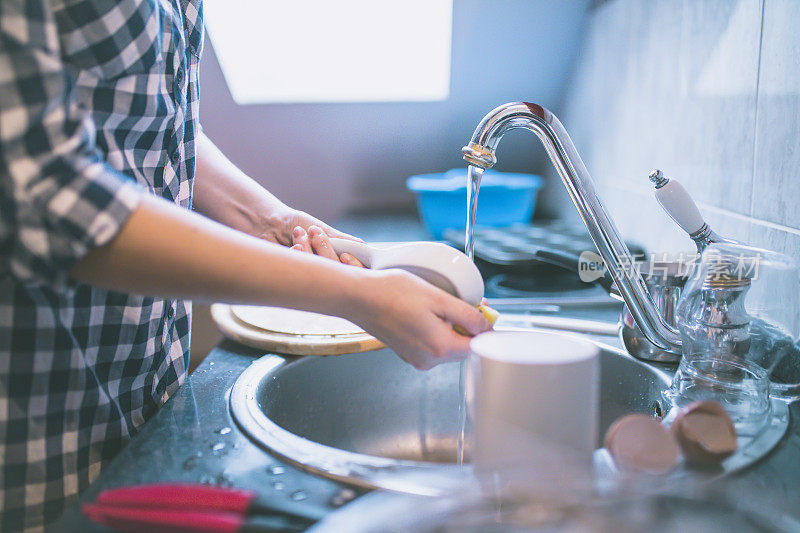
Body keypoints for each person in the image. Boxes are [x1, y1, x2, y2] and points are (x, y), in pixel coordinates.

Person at [0, 1, 491, 530]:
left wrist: (268, 218)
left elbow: (144, 118)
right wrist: (356, 293)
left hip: (141, 392)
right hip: (38, 423)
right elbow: (53, 201)